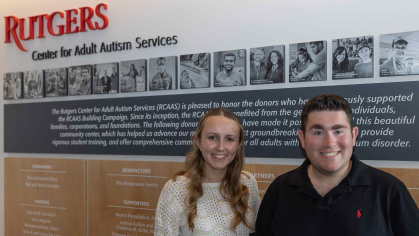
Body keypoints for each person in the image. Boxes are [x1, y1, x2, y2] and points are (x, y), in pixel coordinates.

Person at [255, 94, 419, 235]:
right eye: (318, 132)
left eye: (338, 131)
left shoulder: (390, 190)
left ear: (354, 135)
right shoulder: (279, 189)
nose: (329, 142)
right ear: (302, 138)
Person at [155, 108, 261, 236]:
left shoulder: (247, 182)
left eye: (229, 139)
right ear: (198, 141)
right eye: (212, 137)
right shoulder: (176, 190)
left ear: (239, 144)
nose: (221, 147)